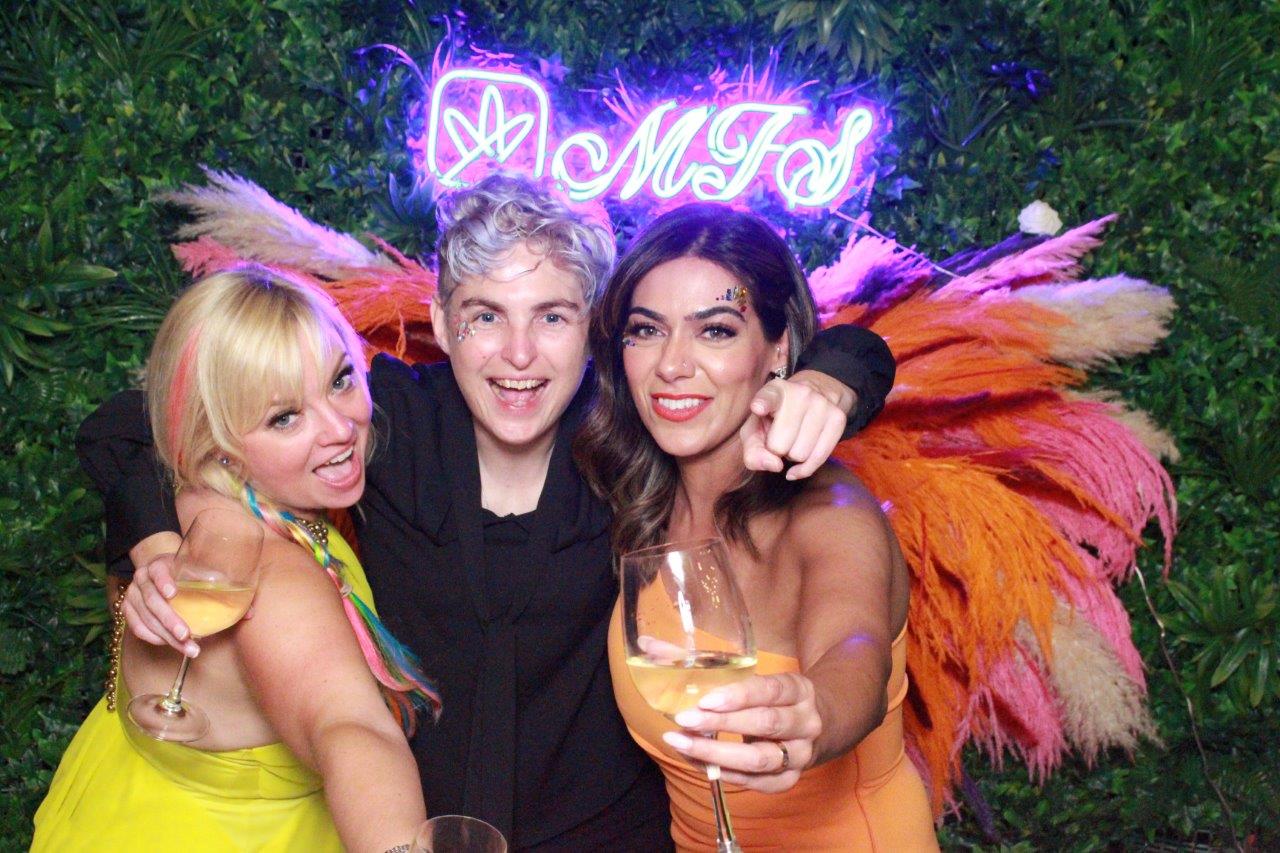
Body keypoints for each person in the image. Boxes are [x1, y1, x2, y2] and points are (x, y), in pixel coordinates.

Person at [77, 175, 897, 849]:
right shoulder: (376, 427)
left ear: (594, 330)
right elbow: (138, 420)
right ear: (441, 323)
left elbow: (837, 355)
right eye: (485, 318)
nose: (518, 354)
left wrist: (832, 379)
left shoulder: (632, 440)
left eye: (552, 316)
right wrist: (162, 541)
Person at [576, 203, 938, 850]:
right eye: (646, 330)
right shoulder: (633, 495)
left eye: (715, 331)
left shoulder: (830, 512)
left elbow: (855, 649)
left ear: (778, 350)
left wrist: (813, 712)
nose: (672, 364)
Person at [35, 268, 436, 851]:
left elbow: (122, 421)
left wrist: (153, 542)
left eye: (340, 380)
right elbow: (350, 728)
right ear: (215, 435)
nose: (339, 427)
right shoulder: (274, 573)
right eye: (284, 417)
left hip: (120, 804)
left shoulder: (181, 491)